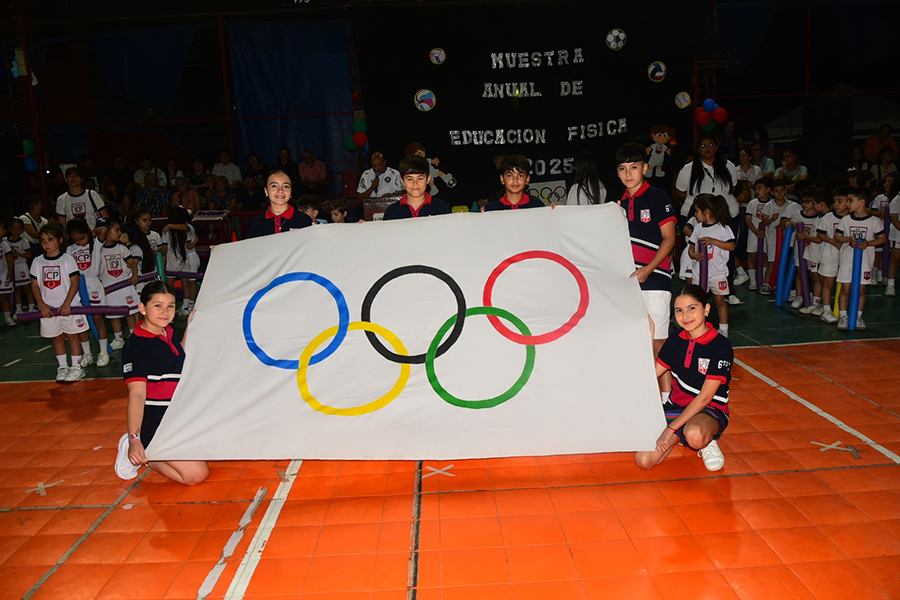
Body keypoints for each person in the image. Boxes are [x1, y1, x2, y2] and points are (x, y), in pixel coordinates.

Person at [114, 280, 209, 485]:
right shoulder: (136, 346)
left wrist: (190, 328)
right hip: (155, 423)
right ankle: (141, 453)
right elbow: (137, 394)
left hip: (178, 416)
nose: (165, 312)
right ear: (142, 308)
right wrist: (135, 438)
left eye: (170, 306)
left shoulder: (168, 333)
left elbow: (178, 356)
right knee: (196, 475)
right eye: (158, 306)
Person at [634, 284, 732, 472]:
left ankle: (706, 440)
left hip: (708, 409)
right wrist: (649, 339)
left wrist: (669, 429)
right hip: (677, 407)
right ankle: (681, 432)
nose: (685, 316)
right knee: (644, 461)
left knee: (695, 434)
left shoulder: (721, 346)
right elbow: (651, 375)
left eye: (692, 308)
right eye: (679, 310)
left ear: (707, 309)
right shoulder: (676, 339)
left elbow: (705, 398)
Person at [615, 142, 677, 397]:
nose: (628, 174)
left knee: (658, 343)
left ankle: (666, 399)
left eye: (633, 167)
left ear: (645, 168)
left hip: (656, 281)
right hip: (630, 284)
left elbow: (669, 240)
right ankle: (645, 396)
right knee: (636, 342)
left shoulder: (658, 197)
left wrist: (649, 269)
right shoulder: (618, 204)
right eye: (622, 169)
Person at [674, 135, 742, 304]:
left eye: (711, 144)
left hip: (726, 215)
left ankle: (727, 291)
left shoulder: (728, 166)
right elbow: (680, 190)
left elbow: (734, 186)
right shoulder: (689, 168)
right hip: (697, 215)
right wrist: (699, 206)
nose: (707, 148)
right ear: (698, 150)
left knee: (725, 253)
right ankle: (697, 293)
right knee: (695, 253)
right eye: (703, 145)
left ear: (717, 147)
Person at [29, 224, 90, 381]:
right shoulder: (37, 262)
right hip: (49, 309)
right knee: (56, 337)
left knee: (72, 337)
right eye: (43, 241)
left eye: (50, 240)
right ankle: (62, 366)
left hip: (69, 307)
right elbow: (35, 285)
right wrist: (41, 304)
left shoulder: (67, 260)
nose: (47, 244)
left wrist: (67, 303)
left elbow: (75, 282)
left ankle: (77, 367)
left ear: (60, 240)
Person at [834, 187, 886, 331]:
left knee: (861, 290)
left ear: (862, 202)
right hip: (847, 260)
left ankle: (857, 316)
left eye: (851, 201)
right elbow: (838, 237)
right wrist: (848, 239)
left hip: (864, 262)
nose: (848, 204)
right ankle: (843, 316)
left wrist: (868, 243)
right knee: (845, 289)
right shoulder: (845, 220)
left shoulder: (874, 221)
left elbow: (882, 238)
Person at [64, 218, 110, 368]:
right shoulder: (70, 250)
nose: (80, 242)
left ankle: (103, 352)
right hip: (76, 286)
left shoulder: (96, 243)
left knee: (98, 320)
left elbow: (103, 230)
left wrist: (92, 232)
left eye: (82, 238)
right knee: (82, 323)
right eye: (76, 240)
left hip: (93, 284)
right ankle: (87, 353)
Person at [688, 195, 735, 337]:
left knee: (719, 300)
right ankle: (698, 326)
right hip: (699, 272)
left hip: (717, 272)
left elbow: (731, 246)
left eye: (697, 211)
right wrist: (694, 255)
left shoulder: (723, 228)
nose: (695, 215)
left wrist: (713, 241)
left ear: (706, 212)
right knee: (697, 301)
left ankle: (723, 328)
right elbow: (691, 246)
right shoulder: (697, 228)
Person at [97, 218, 140, 348]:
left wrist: (134, 275)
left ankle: (134, 336)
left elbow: (132, 263)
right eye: (116, 230)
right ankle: (118, 339)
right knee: (113, 314)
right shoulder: (98, 250)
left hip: (123, 283)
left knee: (129, 312)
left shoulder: (122, 248)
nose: (119, 232)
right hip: (107, 285)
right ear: (107, 233)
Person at [782, 187, 821, 310]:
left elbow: (818, 233)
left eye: (808, 201)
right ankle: (799, 296)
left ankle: (815, 298)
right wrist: (790, 225)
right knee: (800, 271)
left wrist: (805, 230)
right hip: (800, 249)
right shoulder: (797, 215)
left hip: (815, 249)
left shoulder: (820, 217)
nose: (805, 204)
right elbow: (790, 226)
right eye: (803, 201)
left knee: (814, 274)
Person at [816, 187, 850, 324]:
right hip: (829, 255)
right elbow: (820, 234)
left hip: (845, 257)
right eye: (834, 201)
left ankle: (843, 312)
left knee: (845, 285)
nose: (836, 204)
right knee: (828, 283)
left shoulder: (850, 219)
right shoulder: (828, 217)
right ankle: (826, 310)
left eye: (840, 201)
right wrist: (833, 242)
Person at [247, 170, 313, 237]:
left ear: (291, 192)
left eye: (286, 186)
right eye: (274, 186)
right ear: (266, 191)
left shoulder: (304, 220)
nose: (280, 190)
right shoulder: (257, 222)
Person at [383, 155, 452, 219]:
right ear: (402, 181)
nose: (415, 183)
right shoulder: (392, 212)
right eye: (410, 179)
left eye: (420, 178)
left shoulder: (441, 208)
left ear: (428, 179)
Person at [161, 207, 201, 316]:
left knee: (168, 288)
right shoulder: (185, 230)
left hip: (173, 262)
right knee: (186, 285)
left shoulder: (167, 231)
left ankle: (169, 310)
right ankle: (185, 306)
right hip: (184, 260)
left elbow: (164, 249)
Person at [798, 187, 830, 315]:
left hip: (819, 253)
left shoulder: (826, 218)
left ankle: (822, 304)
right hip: (813, 253)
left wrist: (805, 237)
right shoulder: (820, 217)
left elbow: (820, 238)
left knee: (820, 279)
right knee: (815, 278)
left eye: (814, 203)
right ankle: (816, 303)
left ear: (821, 204)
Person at [758, 180, 791, 295]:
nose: (780, 193)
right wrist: (772, 219)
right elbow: (763, 223)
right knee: (772, 261)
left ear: (786, 191)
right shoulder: (768, 206)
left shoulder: (790, 205)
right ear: (772, 192)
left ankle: (780, 284)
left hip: (788, 239)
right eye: (776, 191)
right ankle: (766, 284)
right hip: (772, 238)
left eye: (782, 190)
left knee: (785, 261)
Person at [745, 178, 773, 291]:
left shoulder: (772, 204)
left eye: (760, 188)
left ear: (768, 190)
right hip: (754, 233)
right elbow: (748, 219)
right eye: (756, 188)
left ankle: (763, 281)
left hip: (768, 234)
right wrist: (756, 231)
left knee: (766, 257)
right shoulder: (753, 203)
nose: (757, 191)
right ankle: (753, 282)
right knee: (752, 256)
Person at [870, 173, 896, 285]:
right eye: (886, 181)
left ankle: (884, 275)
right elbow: (872, 211)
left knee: (889, 253)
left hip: (893, 230)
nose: (887, 184)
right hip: (880, 229)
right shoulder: (880, 198)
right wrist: (880, 213)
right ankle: (874, 275)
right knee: (878, 252)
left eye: (891, 181)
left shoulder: (896, 198)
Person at [5, 219, 35, 317]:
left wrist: (16, 253)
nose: (16, 231)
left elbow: (29, 255)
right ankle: (18, 309)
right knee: (16, 288)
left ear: (22, 230)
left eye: (18, 229)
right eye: (13, 229)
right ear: (9, 229)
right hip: (11, 267)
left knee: (26, 287)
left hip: (21, 266)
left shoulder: (24, 241)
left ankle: (31, 307)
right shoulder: (5, 241)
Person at [21, 196, 49, 265]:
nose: (39, 207)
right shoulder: (24, 218)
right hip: (29, 248)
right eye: (36, 204)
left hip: (42, 247)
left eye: (41, 204)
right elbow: (34, 234)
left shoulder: (44, 220)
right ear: (31, 206)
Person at [0, 221, 14, 326]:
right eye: (3, 228)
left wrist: (9, 272)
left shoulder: (4, 244)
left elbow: (10, 259)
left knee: (4, 296)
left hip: (2, 273)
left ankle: (7, 317)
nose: (5, 231)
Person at [887, 186, 900, 297]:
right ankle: (890, 285)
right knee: (895, 259)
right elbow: (894, 220)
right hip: (898, 234)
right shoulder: (897, 200)